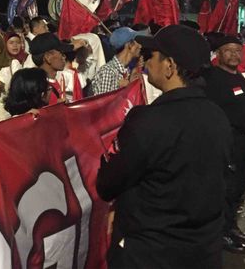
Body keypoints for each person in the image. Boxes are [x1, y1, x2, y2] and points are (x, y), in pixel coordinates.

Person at [96, 25, 232, 268]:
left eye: (150, 56)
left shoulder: (147, 121)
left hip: (151, 253)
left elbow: (108, 183)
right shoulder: (219, 116)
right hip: (203, 251)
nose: (145, 63)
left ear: (169, 65)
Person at [203, 35, 245, 254]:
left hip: (244, 142)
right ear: (218, 53)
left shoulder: (239, 76)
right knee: (226, 190)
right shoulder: (212, 79)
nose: (234, 55)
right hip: (227, 142)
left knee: (238, 189)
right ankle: (221, 234)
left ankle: (231, 227)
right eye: (228, 50)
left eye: (238, 51)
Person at [90, 27, 145, 96]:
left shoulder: (126, 71)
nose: (140, 46)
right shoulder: (108, 72)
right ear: (130, 45)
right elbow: (103, 104)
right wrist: (121, 89)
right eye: (138, 42)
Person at [29, 33, 73, 105]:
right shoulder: (41, 89)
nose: (64, 57)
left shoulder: (51, 82)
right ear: (48, 57)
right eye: (61, 53)